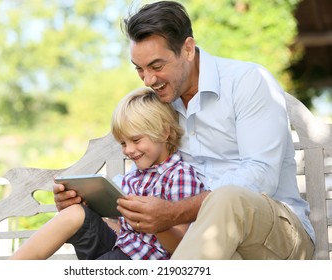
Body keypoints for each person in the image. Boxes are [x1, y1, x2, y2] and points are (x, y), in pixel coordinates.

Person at [54, 1, 315, 259]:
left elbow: (261, 175)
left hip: (274, 235)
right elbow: (146, 177)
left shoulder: (247, 82)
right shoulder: (161, 105)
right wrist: (91, 198)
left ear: (188, 49)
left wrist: (175, 212)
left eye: (157, 66)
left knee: (228, 198)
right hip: (202, 243)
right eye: (140, 70)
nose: (149, 80)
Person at [10, 87, 204, 260]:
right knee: (76, 213)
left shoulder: (180, 176)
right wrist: (91, 216)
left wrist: (156, 224)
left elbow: (180, 249)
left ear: (165, 133)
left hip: (144, 261)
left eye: (136, 140)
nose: (128, 150)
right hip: (120, 248)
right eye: (123, 143)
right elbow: (126, 233)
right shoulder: (134, 176)